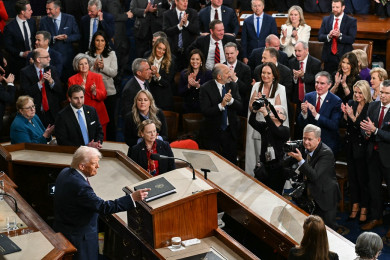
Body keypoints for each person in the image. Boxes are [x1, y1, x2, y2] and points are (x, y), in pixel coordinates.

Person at [54, 146, 150, 260]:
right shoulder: (80, 187)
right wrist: (132, 198)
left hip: (65, 228)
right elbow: (103, 207)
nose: (98, 166)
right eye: (94, 164)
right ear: (82, 166)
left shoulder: (65, 172)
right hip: (80, 238)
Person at [287, 125, 340, 230]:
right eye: (304, 138)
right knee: (311, 229)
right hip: (310, 195)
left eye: (309, 139)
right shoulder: (303, 147)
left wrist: (300, 160)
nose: (306, 142)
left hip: (325, 196)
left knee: (328, 229)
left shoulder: (326, 153)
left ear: (318, 139)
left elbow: (314, 175)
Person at [245, 62, 289, 175]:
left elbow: (279, 111)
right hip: (259, 125)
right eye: (263, 73)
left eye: (268, 73)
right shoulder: (256, 86)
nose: (265, 75)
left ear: (274, 75)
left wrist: (266, 109)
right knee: (258, 152)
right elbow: (251, 107)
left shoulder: (280, 88)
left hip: (273, 128)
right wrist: (255, 104)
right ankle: (257, 175)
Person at [360, 80, 390, 233]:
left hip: (388, 157)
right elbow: (365, 127)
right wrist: (366, 132)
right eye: (382, 92)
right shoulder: (372, 106)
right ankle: (376, 217)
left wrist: (376, 131)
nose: (383, 96)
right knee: (373, 188)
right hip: (372, 154)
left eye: (386, 93)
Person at [341, 80, 371, 223]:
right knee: (352, 179)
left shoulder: (370, 107)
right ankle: (354, 205)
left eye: (360, 93)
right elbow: (346, 125)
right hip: (350, 146)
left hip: (363, 149)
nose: (357, 95)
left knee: (362, 180)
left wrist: (352, 117)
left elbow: (364, 129)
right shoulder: (352, 104)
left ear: (366, 93)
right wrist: (346, 116)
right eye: (355, 92)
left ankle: (364, 208)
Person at [199, 63, 242, 164]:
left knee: (231, 165)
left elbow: (240, 106)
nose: (230, 75)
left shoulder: (233, 85)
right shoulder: (205, 88)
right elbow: (205, 111)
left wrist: (231, 101)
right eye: (227, 73)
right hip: (213, 134)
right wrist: (221, 105)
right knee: (215, 164)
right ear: (219, 76)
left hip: (230, 133)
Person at [297, 71, 342, 155]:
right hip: (309, 145)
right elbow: (300, 124)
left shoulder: (336, 101)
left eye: (322, 83)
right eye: (317, 82)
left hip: (327, 145)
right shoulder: (308, 97)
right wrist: (304, 113)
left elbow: (334, 125)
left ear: (329, 85)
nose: (318, 86)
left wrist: (316, 114)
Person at [249, 103, 289, 194]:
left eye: (278, 112)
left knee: (275, 194)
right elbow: (251, 121)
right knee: (261, 193)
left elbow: (276, 131)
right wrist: (255, 110)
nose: (274, 112)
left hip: (277, 168)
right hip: (264, 166)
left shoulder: (285, 130)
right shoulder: (265, 127)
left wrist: (266, 114)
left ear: (283, 118)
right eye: (273, 110)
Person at [68, 53, 109, 139]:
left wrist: (94, 92)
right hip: (81, 116)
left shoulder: (97, 77)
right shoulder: (72, 80)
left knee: (100, 142)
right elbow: (69, 99)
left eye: (86, 63)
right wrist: (81, 91)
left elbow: (104, 95)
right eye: (81, 64)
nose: (84, 66)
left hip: (98, 114)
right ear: (77, 65)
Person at [20, 48, 63, 127]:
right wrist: (40, 83)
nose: (49, 59)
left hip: (52, 112)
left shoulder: (52, 69)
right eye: (47, 57)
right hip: (35, 113)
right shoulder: (25, 72)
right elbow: (26, 93)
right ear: (38, 59)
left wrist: (51, 81)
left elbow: (60, 90)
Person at [87, 30, 117, 141]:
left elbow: (114, 72)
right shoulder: (87, 55)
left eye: (102, 41)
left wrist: (103, 67)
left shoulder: (111, 54)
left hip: (109, 92)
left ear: (106, 42)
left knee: (110, 120)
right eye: (97, 40)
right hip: (93, 93)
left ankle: (111, 142)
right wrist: (94, 67)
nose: (99, 43)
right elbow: (85, 73)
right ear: (93, 42)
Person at [39, 0, 81, 81]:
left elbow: (77, 35)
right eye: (46, 9)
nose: (47, 11)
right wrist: (53, 38)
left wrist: (67, 38)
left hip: (67, 59)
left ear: (57, 9)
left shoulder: (70, 18)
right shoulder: (44, 21)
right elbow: (41, 38)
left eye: (50, 9)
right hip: (51, 59)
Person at [318, 0, 357, 75]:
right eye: (333, 7)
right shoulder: (326, 20)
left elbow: (352, 39)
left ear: (343, 7)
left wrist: (340, 35)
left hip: (344, 58)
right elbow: (320, 36)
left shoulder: (351, 21)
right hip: (328, 57)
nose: (335, 9)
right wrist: (328, 36)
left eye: (337, 7)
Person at [162, 0, 199, 71]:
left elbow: (196, 30)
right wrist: (179, 26)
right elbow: (166, 31)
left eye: (187, 1)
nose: (185, 3)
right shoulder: (167, 14)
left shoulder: (193, 13)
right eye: (183, 1)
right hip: (173, 51)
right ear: (176, 2)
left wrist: (187, 23)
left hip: (189, 51)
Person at [3, 0, 36, 79]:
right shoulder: (9, 27)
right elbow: (7, 46)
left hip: (34, 60)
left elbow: (34, 39)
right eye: (29, 10)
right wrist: (22, 54)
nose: (32, 11)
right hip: (18, 63)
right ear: (22, 12)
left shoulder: (32, 22)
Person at [178, 49, 212, 113]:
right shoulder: (184, 73)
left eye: (197, 59)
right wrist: (188, 86)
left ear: (201, 61)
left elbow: (210, 92)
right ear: (190, 60)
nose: (194, 61)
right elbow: (180, 92)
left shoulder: (208, 73)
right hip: (187, 108)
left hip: (202, 107)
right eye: (192, 59)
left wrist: (199, 86)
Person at [147, 37, 175, 110]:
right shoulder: (148, 60)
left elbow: (167, 83)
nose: (161, 51)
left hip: (164, 98)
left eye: (164, 49)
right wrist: (149, 77)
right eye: (159, 48)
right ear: (155, 47)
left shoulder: (170, 63)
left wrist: (157, 74)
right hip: (150, 95)